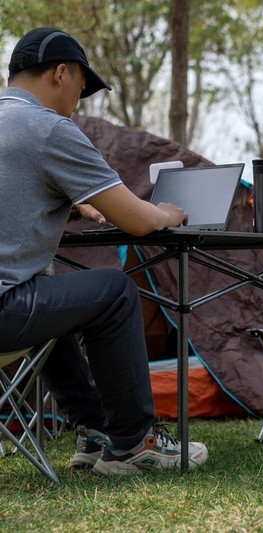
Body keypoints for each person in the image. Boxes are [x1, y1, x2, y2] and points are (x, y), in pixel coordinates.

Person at [0, 28, 208, 475]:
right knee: (113, 292)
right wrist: (167, 212)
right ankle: (134, 444)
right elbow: (137, 219)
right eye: (81, 85)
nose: (81, 99)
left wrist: (65, 197)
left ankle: (95, 431)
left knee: (48, 290)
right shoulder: (48, 128)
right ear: (61, 73)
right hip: (3, 311)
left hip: (11, 305)